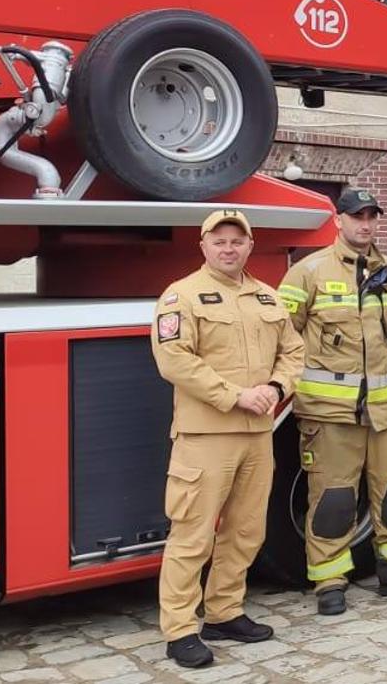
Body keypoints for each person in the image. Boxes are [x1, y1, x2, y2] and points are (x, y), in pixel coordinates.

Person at [151, 210, 304, 669]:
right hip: (207, 434)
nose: (229, 248)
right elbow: (174, 360)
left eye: (237, 241)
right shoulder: (182, 296)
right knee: (192, 535)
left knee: (246, 530)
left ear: (250, 246)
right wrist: (235, 396)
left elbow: (293, 351)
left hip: (258, 434)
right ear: (203, 246)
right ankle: (179, 629)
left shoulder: (267, 297)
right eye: (219, 241)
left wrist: (277, 389)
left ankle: (224, 612)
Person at [276, 189, 387, 615]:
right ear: (338, 220)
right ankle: (329, 580)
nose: (365, 224)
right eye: (356, 216)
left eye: (371, 216)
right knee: (333, 497)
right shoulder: (307, 273)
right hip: (331, 412)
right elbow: (281, 335)